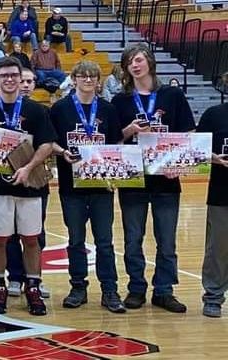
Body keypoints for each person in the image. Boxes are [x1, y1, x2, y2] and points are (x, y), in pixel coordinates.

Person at [0, 57, 55, 316]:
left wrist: (28, 168)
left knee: (31, 239)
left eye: (13, 75)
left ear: (21, 78)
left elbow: (47, 144)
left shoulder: (37, 110)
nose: (9, 79)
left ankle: (33, 287)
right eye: (4, 75)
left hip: (30, 185)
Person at [111, 43, 193, 313]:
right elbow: (112, 141)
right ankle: (136, 288)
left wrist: (179, 164)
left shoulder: (172, 95)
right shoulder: (120, 101)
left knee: (166, 240)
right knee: (133, 239)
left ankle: (164, 291)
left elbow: (187, 136)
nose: (134, 65)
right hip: (133, 180)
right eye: (129, 63)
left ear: (149, 61)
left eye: (138, 60)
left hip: (166, 181)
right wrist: (128, 129)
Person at [47, 60, 126, 313]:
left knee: (105, 241)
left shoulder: (108, 109)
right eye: (83, 76)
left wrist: (116, 172)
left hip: (102, 185)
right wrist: (63, 153)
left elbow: (116, 143)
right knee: (76, 240)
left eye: (93, 76)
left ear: (98, 81)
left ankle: (109, 290)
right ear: (74, 79)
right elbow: (50, 142)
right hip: (72, 187)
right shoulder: (60, 109)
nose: (88, 80)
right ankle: (78, 287)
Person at [198, 86, 228, 318]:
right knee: (218, 248)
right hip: (221, 193)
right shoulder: (213, 115)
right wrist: (211, 158)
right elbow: (196, 152)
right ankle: (214, 297)